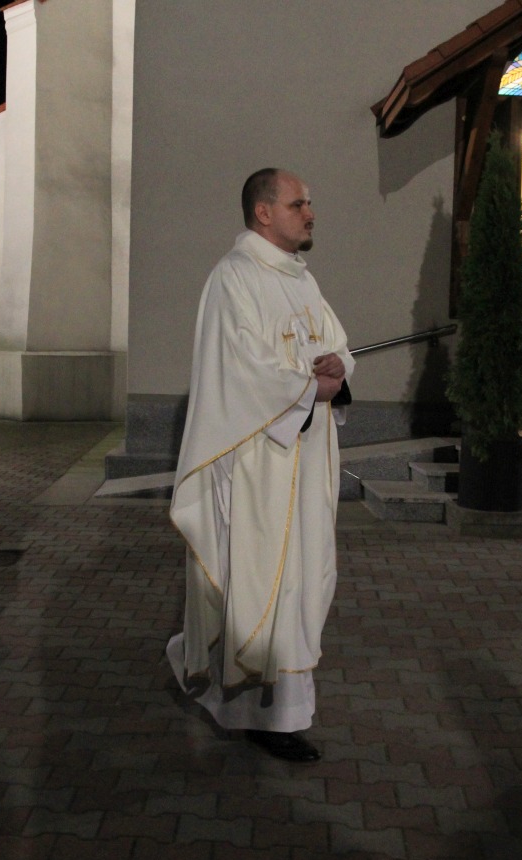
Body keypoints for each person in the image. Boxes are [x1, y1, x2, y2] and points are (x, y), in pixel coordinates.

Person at [167, 168, 353, 763]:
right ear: (264, 212)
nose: (310, 213)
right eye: (299, 204)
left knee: (301, 580)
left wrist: (338, 367)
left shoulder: (302, 280)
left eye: (309, 202)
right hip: (258, 466)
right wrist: (308, 388)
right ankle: (262, 715)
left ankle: (278, 708)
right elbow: (238, 369)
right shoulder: (234, 278)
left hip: (305, 459)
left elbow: (335, 344)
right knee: (262, 586)